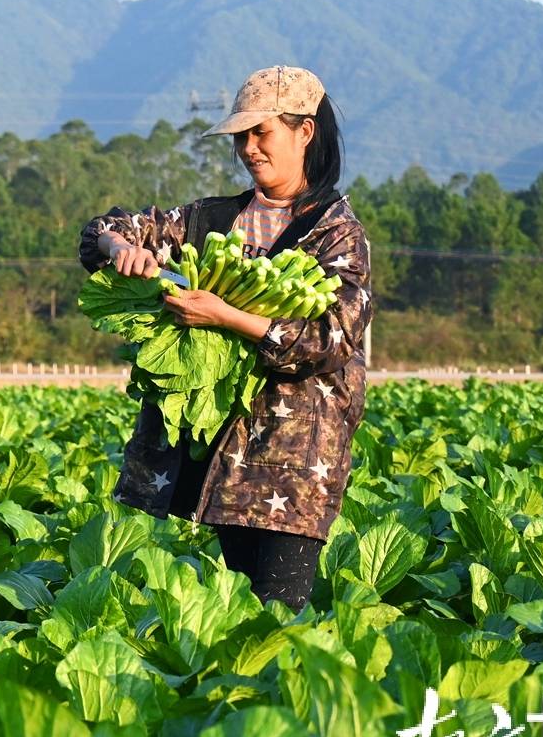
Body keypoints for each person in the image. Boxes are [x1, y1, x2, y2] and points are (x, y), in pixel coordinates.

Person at [78, 66, 372, 612]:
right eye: (241, 136)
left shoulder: (335, 232)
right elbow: (105, 229)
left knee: (278, 616)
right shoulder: (212, 219)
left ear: (305, 132)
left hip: (294, 461)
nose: (249, 148)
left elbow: (332, 338)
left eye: (262, 133)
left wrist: (228, 317)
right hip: (227, 456)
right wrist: (121, 248)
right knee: (242, 614)